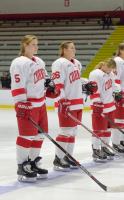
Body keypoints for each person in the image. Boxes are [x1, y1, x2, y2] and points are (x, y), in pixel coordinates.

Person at [10, 35, 60, 182]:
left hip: (40, 104)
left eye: (37, 44)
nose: (36, 47)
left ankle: (32, 162)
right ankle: (22, 165)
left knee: (40, 135)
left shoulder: (39, 61)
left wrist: (50, 88)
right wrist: (21, 103)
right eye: (33, 44)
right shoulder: (19, 62)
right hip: (28, 105)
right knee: (26, 136)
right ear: (25, 45)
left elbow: (45, 80)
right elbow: (18, 85)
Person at [52, 41, 97, 171]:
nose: (74, 50)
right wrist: (61, 99)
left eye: (74, 48)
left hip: (77, 102)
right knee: (65, 131)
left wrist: (86, 83)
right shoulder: (59, 63)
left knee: (72, 132)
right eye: (71, 48)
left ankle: (68, 157)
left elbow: (75, 80)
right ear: (64, 50)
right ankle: (58, 159)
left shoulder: (77, 63)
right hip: (66, 103)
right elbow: (57, 83)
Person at [89, 59, 117, 162]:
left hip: (110, 106)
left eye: (112, 70)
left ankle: (105, 147)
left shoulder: (111, 74)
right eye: (109, 69)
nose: (110, 71)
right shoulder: (96, 74)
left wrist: (117, 93)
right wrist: (96, 104)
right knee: (98, 129)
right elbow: (94, 91)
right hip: (100, 106)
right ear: (105, 65)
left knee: (108, 129)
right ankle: (96, 150)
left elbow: (113, 87)